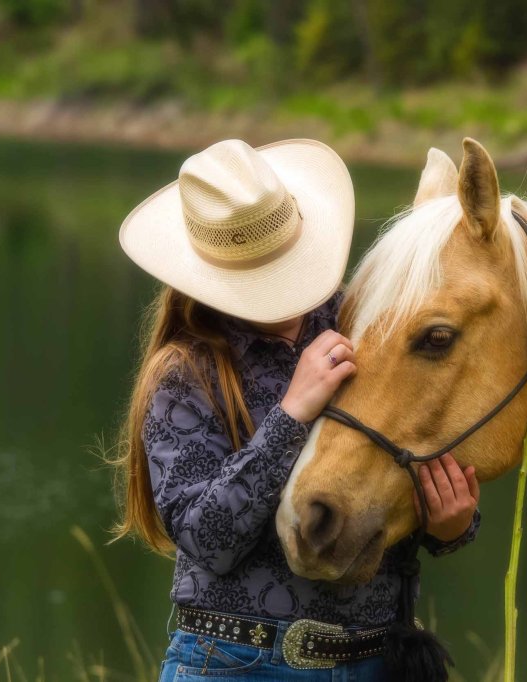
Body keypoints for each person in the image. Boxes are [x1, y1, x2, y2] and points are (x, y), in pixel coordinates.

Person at [113, 138, 482, 681]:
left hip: (379, 661)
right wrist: (291, 413)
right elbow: (206, 541)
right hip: (237, 664)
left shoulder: (363, 324)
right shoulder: (184, 375)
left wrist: (450, 524)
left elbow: (398, 461)